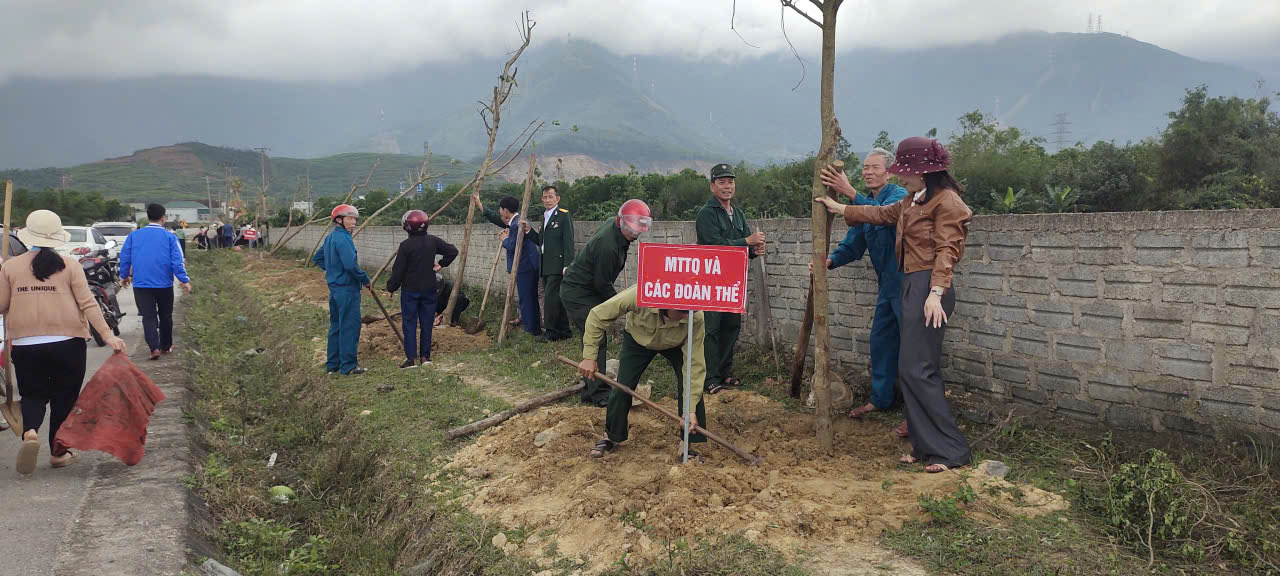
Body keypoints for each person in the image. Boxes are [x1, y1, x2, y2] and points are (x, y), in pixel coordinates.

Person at [816, 136, 973, 473]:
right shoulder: (913, 201)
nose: (901, 177)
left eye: (906, 171)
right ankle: (922, 443)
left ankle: (951, 451)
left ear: (924, 171)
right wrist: (842, 208)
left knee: (921, 370)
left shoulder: (946, 201)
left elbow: (949, 249)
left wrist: (935, 293)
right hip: (909, 284)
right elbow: (879, 214)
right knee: (910, 370)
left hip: (928, 287)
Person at [0, 210, 126, 474]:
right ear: (57, 237)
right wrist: (108, 335)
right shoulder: (70, 265)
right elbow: (89, 304)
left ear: (28, 235)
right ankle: (58, 453)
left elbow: (1, 305)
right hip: (67, 342)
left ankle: (30, 433)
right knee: (64, 398)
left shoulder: (9, 267)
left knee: (32, 395)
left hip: (25, 344)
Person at [812, 148, 909, 426]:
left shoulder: (899, 198)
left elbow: (880, 215)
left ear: (889, 172)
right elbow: (854, 242)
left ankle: (915, 415)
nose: (867, 172)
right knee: (881, 342)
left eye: (874, 167)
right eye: (865, 167)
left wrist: (851, 194)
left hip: (907, 283)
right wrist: (829, 261)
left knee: (914, 350)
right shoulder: (865, 206)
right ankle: (881, 399)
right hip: (887, 287)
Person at [578, 284, 707, 459]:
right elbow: (597, 315)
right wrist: (589, 356)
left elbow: (695, 364)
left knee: (691, 385)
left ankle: (687, 441)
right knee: (622, 386)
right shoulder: (640, 293)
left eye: (689, 312)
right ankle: (612, 437)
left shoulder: (695, 317)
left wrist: (689, 408)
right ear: (666, 304)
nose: (686, 316)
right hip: (638, 339)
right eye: (682, 312)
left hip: (676, 344)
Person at [560, 199, 651, 406]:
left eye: (639, 229)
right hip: (579, 292)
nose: (636, 234)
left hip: (588, 287)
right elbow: (602, 284)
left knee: (597, 336)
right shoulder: (608, 247)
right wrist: (623, 305)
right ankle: (597, 394)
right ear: (621, 222)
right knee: (596, 336)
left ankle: (589, 389)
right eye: (632, 230)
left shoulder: (615, 224)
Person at [695, 163, 766, 395]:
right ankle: (710, 378)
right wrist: (747, 241)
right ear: (712, 186)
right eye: (722, 182)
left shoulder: (739, 213)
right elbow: (713, 246)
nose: (728, 187)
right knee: (712, 329)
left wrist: (755, 251)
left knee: (731, 327)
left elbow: (743, 249)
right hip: (711, 281)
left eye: (731, 182)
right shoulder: (706, 214)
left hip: (734, 281)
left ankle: (725, 372)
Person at [119, 203, 192, 361]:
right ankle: (166, 346)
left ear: (148, 217)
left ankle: (154, 348)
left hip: (141, 285)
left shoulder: (134, 236)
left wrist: (124, 276)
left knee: (149, 317)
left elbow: (125, 257)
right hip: (164, 284)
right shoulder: (170, 237)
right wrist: (184, 280)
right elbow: (177, 261)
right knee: (166, 316)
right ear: (163, 218)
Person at [386, 210, 458, 369]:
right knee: (426, 323)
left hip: (410, 291)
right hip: (429, 289)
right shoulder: (433, 241)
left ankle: (411, 359)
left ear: (407, 226)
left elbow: (399, 270)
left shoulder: (405, 246)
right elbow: (453, 251)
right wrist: (442, 263)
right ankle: (425, 358)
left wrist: (391, 288)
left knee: (410, 323)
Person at [313, 204, 370, 375]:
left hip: (335, 289)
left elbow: (318, 258)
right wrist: (365, 279)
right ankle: (349, 366)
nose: (354, 222)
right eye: (350, 218)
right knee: (349, 326)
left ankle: (333, 364)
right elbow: (350, 265)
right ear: (339, 220)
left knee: (336, 326)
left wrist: (332, 271)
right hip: (347, 289)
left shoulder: (331, 237)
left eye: (355, 219)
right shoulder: (344, 238)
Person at [476, 195, 542, 336]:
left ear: (505, 210)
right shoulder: (517, 221)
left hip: (525, 266)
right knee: (529, 297)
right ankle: (533, 327)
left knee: (527, 298)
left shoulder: (516, 224)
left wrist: (504, 239)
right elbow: (497, 220)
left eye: (501, 209)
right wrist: (481, 206)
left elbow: (513, 246)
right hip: (529, 265)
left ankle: (531, 330)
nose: (500, 212)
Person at [536, 185, 574, 342]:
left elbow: (568, 242)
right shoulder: (544, 217)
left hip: (558, 264)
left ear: (557, 199)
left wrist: (567, 264)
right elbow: (541, 242)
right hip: (546, 264)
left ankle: (551, 331)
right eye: (545, 197)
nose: (547, 200)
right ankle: (564, 331)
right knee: (555, 298)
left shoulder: (563, 216)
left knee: (551, 298)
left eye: (550, 197)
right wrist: (527, 231)